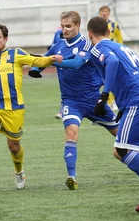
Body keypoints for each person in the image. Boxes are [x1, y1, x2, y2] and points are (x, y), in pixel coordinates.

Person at [54, 16, 139, 213]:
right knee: (121, 151)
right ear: (109, 32)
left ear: (89, 34)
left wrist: (105, 94)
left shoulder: (98, 49)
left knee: (121, 151)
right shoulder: (123, 48)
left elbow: (111, 63)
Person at [29, 11, 118, 190]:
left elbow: (76, 64)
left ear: (78, 26)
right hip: (71, 101)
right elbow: (44, 60)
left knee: (121, 135)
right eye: (62, 26)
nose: (64, 29)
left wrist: (51, 61)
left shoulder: (87, 44)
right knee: (71, 133)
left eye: (68, 26)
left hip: (94, 101)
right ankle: (72, 177)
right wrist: (36, 68)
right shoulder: (58, 45)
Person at [0, 24, 63, 189]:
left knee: (14, 147)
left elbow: (35, 60)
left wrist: (51, 59)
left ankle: (19, 171)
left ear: (5, 39)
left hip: (14, 109)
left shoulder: (16, 54)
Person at [98, 5, 123, 113]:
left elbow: (120, 39)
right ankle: (108, 101)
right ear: (100, 13)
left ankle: (113, 101)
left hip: (112, 55)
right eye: (103, 11)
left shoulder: (114, 25)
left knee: (113, 77)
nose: (104, 13)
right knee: (103, 78)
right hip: (102, 54)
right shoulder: (97, 26)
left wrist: (120, 52)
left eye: (106, 11)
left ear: (109, 13)